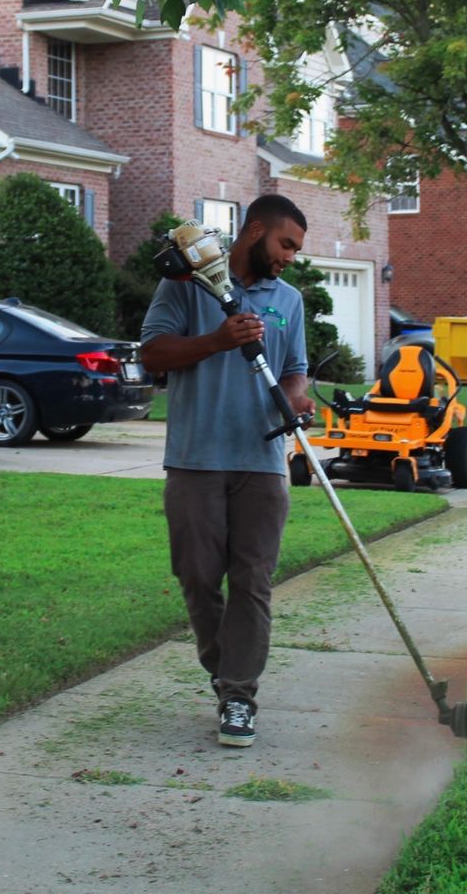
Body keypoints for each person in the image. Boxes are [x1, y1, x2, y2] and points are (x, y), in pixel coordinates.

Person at [141, 194, 314, 748]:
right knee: (197, 577)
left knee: (252, 581)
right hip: (195, 458)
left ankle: (239, 696)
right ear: (256, 230)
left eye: (296, 249)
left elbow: (295, 371)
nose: (290, 256)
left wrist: (296, 399)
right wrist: (218, 340)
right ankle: (226, 670)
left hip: (261, 463)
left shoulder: (288, 299)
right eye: (286, 244)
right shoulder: (184, 284)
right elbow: (152, 354)